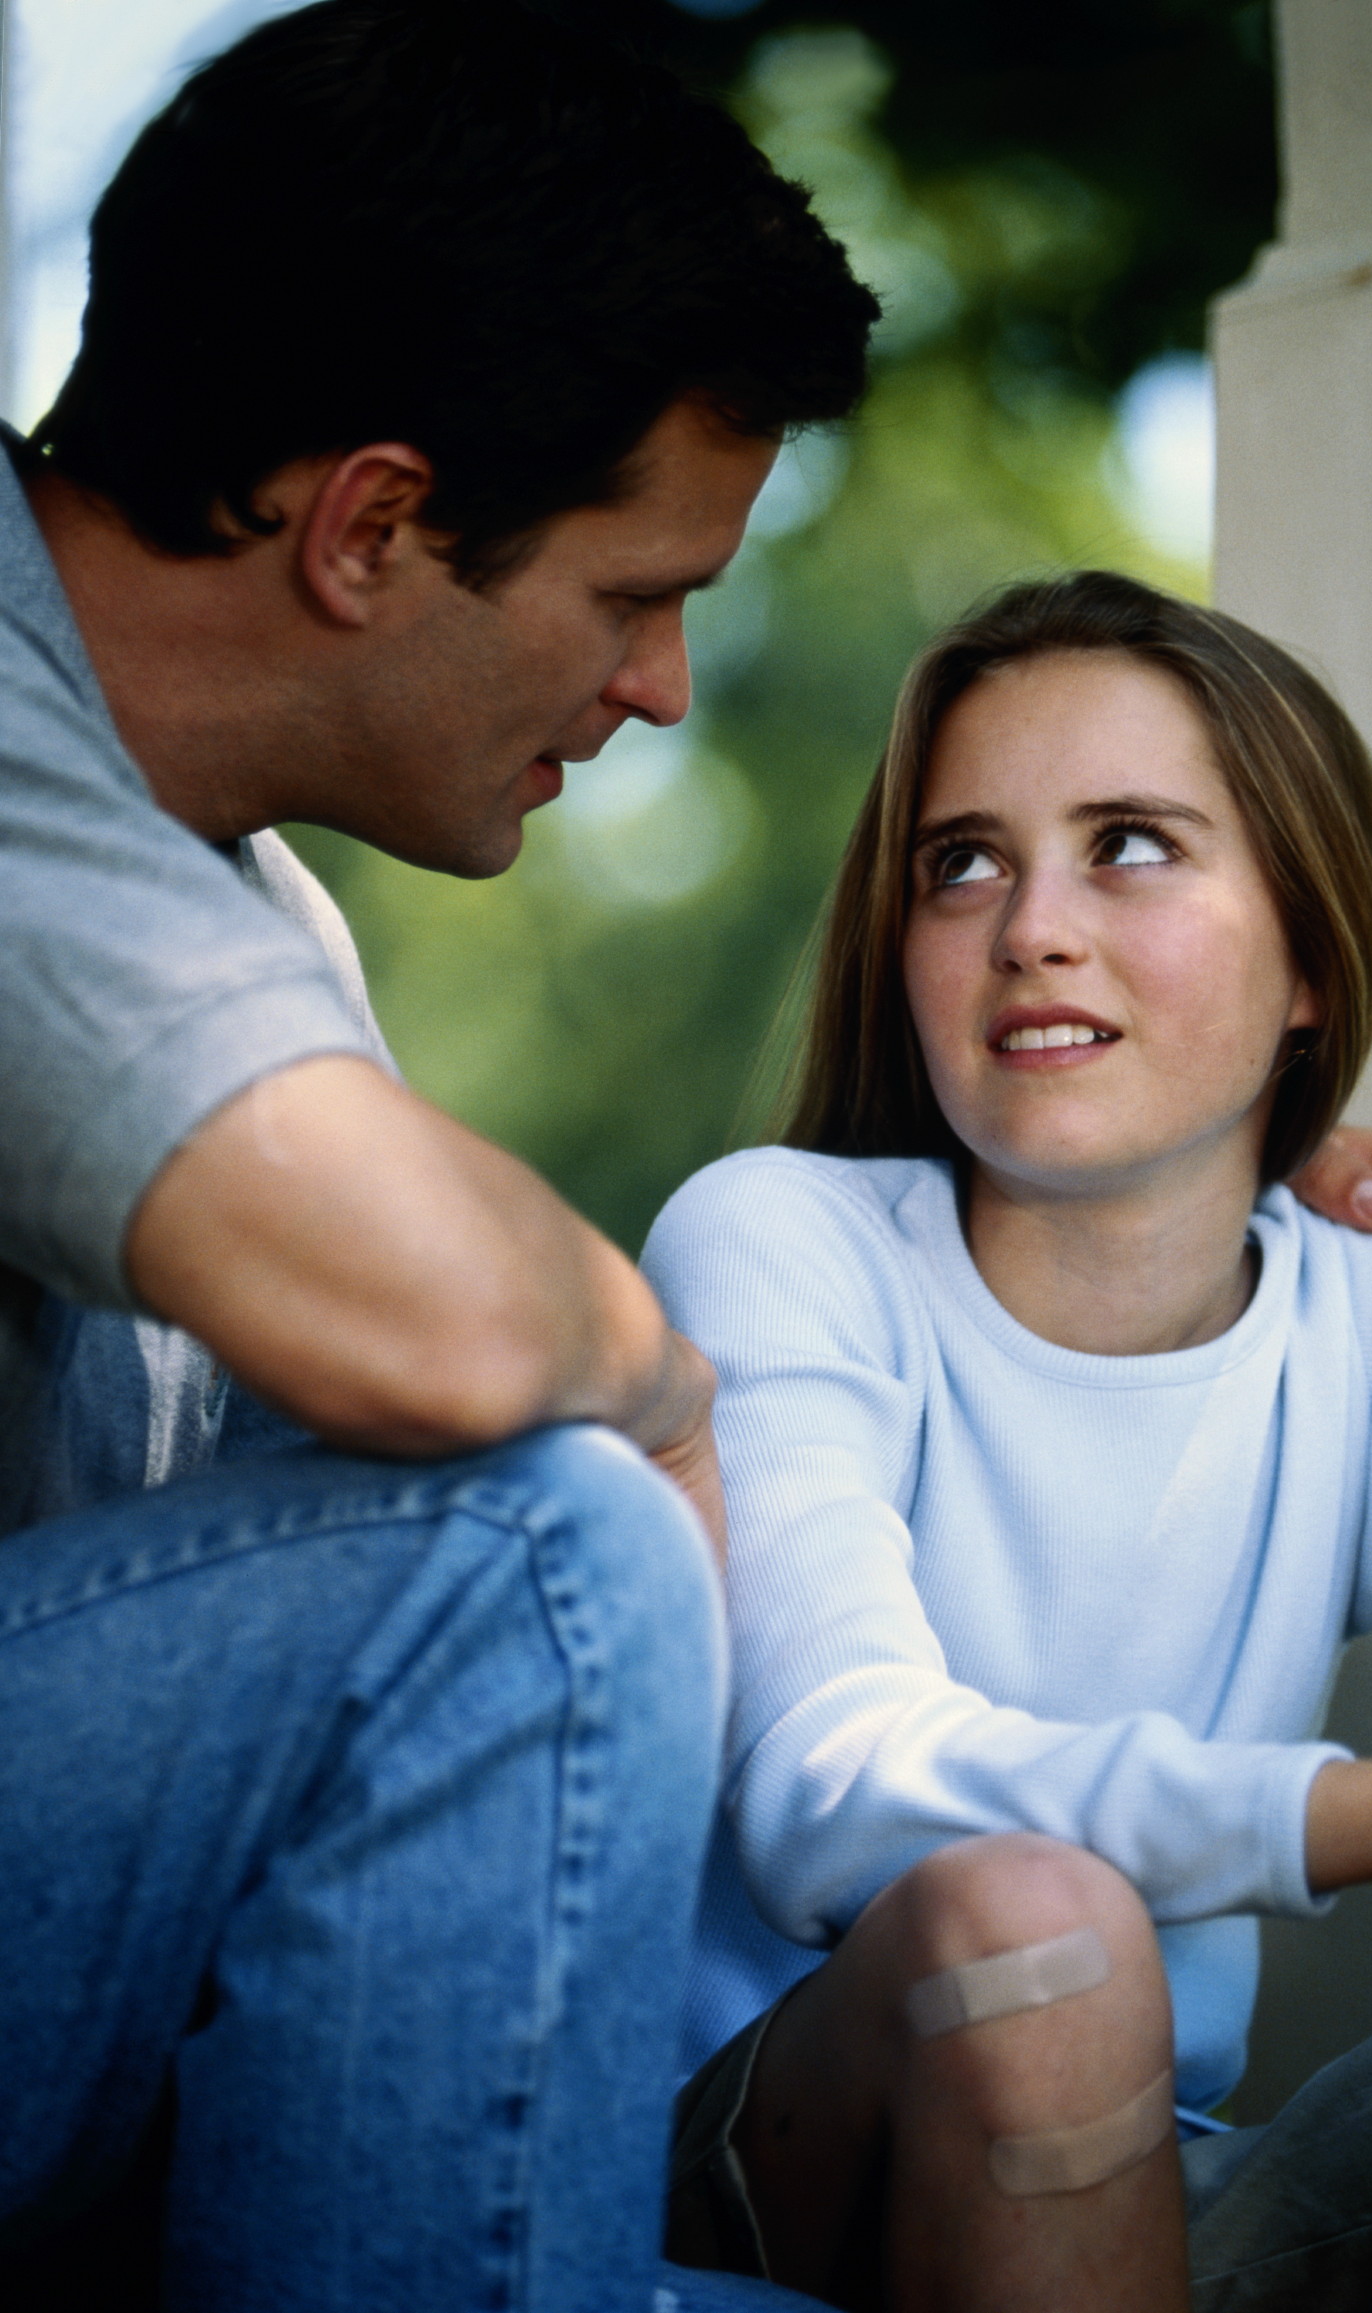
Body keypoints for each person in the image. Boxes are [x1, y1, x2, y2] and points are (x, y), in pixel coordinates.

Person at [0, 4, 882, 2304]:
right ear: (377, 523)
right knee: (539, 1547)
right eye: (636, 592)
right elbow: (474, 1344)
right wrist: (663, 1385)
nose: (670, 685)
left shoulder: (252, 921)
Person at [642, 571, 1372, 2310]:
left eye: (1128, 841)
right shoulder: (781, 1242)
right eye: (962, 860)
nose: (1031, 923)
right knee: (1033, 1935)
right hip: (775, 2149)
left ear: (1307, 958)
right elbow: (833, 1791)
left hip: (1170, 2185)